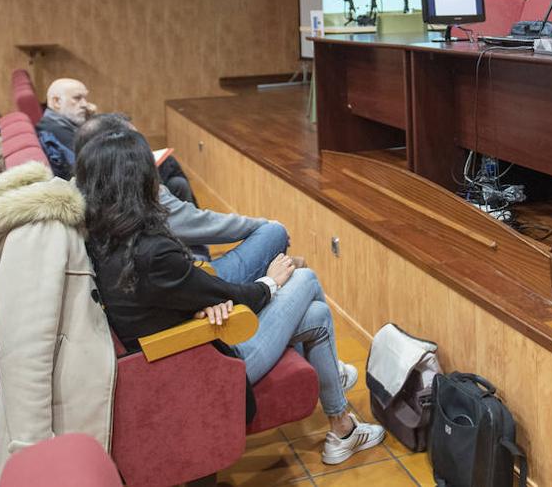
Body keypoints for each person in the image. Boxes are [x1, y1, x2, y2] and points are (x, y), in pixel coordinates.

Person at [79, 129, 384, 466]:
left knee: (313, 316)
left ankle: (342, 426)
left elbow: (184, 292)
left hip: (181, 347)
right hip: (201, 363)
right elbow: (224, 292)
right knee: (305, 278)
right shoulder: (151, 251)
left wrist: (200, 304)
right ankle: (341, 423)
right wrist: (271, 281)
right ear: (139, 180)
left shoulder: (103, 238)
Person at [0, 160, 117, 487]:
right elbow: (24, 349)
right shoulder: (41, 231)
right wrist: (34, 449)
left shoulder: (44, 224)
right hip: (53, 417)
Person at [74, 113, 297, 285]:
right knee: (275, 235)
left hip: (176, 285)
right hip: (188, 287)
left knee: (309, 303)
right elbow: (207, 227)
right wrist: (269, 284)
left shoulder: (80, 190)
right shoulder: (139, 205)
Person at [38, 78, 195, 203]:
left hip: (105, 179)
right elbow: (87, 166)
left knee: (176, 181)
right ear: (56, 102)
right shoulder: (54, 131)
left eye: (85, 98)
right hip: (105, 189)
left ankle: (191, 234)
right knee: (171, 168)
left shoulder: (57, 124)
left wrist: (91, 118)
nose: (85, 104)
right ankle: (195, 232)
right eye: (77, 99)